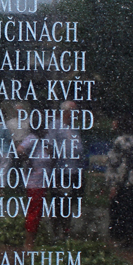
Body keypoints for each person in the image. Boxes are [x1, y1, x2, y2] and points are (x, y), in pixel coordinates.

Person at [106, 115, 133, 246]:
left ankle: (122, 239)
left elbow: (117, 163)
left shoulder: (120, 141)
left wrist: (114, 185)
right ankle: (132, 237)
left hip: (125, 181)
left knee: (122, 210)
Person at [46, 100, 84, 240]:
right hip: (60, 170)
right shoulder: (55, 125)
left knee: (70, 201)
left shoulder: (74, 127)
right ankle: (56, 232)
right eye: (74, 111)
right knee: (59, 201)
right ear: (66, 112)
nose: (77, 114)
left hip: (74, 170)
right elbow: (49, 146)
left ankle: (66, 231)